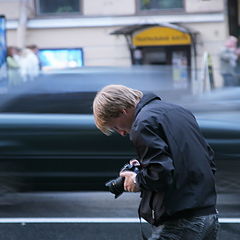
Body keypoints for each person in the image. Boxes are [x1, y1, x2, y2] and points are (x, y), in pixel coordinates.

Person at [93, 85, 219, 240]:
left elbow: (161, 173)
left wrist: (137, 179)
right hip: (208, 214)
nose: (122, 133)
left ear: (122, 111)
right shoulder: (179, 112)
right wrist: (146, 166)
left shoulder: (143, 123)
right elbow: (207, 158)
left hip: (180, 221)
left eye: (115, 126)